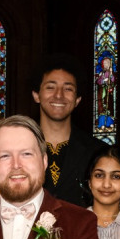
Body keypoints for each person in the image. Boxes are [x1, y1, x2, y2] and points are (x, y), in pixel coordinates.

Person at [32, 55, 100, 208]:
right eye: (50, 87)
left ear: (77, 100)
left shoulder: (97, 151)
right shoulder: (18, 147)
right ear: (36, 95)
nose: (59, 95)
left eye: (68, 88)